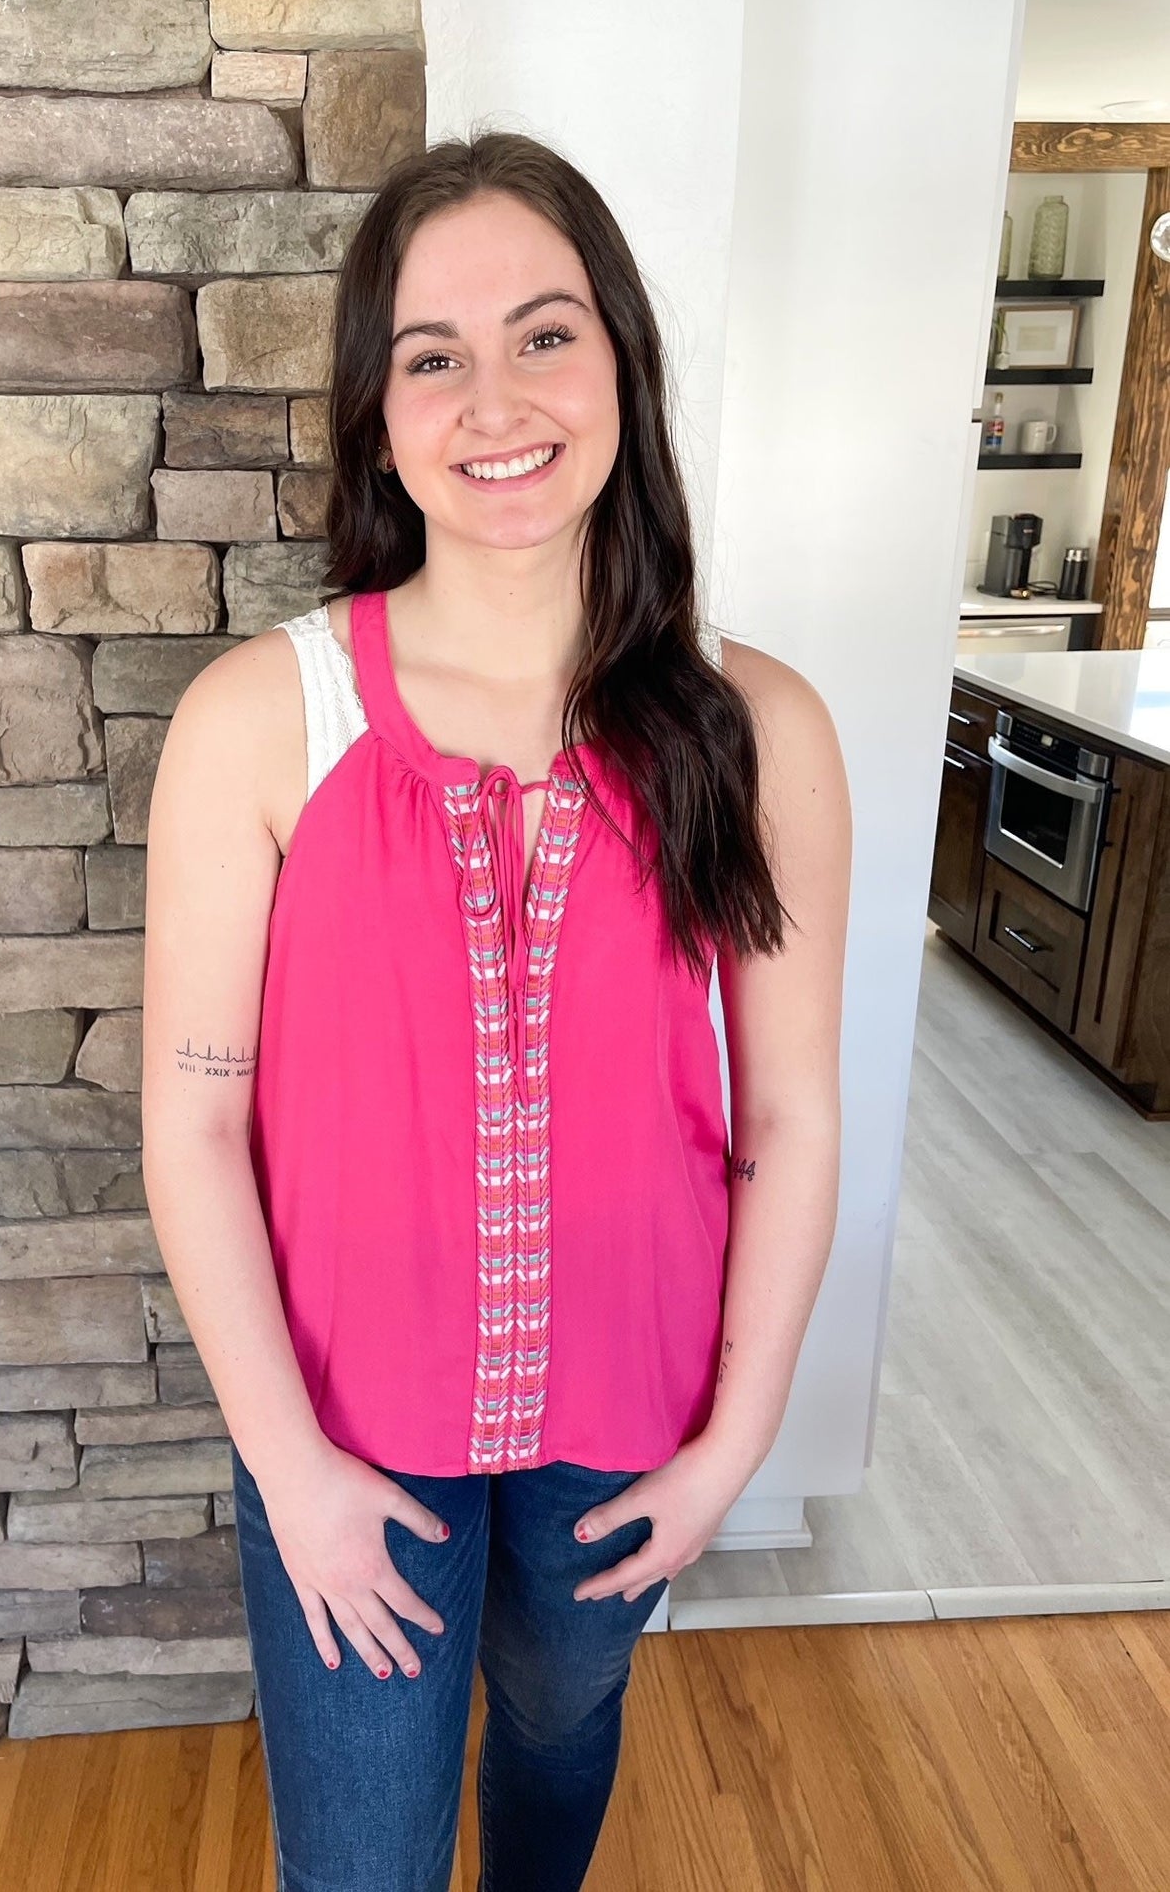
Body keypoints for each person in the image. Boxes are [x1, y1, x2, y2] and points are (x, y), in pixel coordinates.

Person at [142, 129, 852, 1892]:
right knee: (362, 1857)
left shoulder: (753, 727)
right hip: (343, 1435)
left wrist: (733, 1448)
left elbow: (789, 1120)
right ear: (379, 412)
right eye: (430, 356)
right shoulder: (261, 718)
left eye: (544, 334)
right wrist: (287, 1468)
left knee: (554, 1734)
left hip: (630, 1424)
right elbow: (195, 1117)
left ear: (620, 358)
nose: (493, 399)